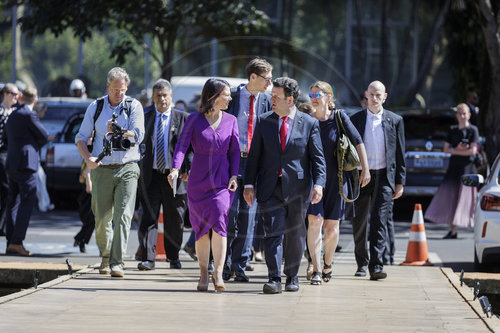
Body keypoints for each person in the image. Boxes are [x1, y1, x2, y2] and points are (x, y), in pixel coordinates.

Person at [243, 77, 327, 294]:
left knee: (296, 233)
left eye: (276, 97)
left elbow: (318, 159)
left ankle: (292, 277)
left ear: (290, 100)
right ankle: (273, 278)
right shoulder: (264, 121)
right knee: (273, 232)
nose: (271, 99)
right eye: (272, 95)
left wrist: (319, 184)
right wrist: (249, 184)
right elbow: (254, 157)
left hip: (298, 189)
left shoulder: (309, 123)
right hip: (269, 187)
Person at [168, 78, 239, 292]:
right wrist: (175, 168)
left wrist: (234, 175)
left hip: (222, 181)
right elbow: (181, 146)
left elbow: (235, 150)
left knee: (220, 223)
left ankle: (218, 272)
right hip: (198, 181)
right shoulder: (193, 120)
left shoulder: (232, 120)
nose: (229, 98)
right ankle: (202, 273)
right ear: (213, 96)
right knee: (200, 230)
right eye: (226, 94)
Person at [75, 67, 144, 277]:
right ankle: (105, 257)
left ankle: (117, 262)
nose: (119, 93)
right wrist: (89, 160)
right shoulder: (95, 107)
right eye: (115, 89)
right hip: (102, 169)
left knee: (123, 216)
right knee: (102, 218)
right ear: (108, 87)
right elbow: (80, 138)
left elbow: (139, 135)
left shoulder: (134, 106)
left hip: (128, 167)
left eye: (122, 89)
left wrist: (121, 132)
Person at [306, 81, 370, 285]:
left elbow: (358, 141)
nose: (313, 97)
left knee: (331, 227)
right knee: (314, 221)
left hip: (338, 179)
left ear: (328, 97)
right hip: (314, 179)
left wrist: (365, 169)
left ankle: (327, 264)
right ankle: (316, 269)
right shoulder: (307, 120)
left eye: (318, 94)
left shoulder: (339, 117)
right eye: (312, 94)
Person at [223, 57, 273, 282]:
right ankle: (223, 264)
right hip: (231, 162)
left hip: (254, 165)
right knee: (230, 215)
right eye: (266, 79)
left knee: (249, 218)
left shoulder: (267, 101)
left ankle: (240, 265)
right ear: (253, 77)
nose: (269, 84)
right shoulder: (232, 96)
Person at [349, 80, 405, 280]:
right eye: (371, 95)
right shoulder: (355, 119)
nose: (374, 99)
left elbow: (400, 153)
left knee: (380, 221)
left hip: (384, 177)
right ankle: (361, 263)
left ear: (385, 97)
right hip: (361, 176)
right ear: (366, 95)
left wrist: (400, 181)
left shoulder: (395, 120)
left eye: (378, 95)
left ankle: (377, 265)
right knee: (359, 222)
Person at [137, 79, 191, 271]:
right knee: (148, 218)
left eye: (165, 96)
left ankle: (173, 256)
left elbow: (191, 147)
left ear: (171, 97)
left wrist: (187, 169)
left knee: (175, 218)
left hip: (175, 177)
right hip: (150, 177)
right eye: (158, 96)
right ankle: (148, 258)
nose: (162, 100)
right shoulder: (145, 117)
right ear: (153, 97)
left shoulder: (183, 118)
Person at [4, 87, 49, 256]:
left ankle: (10, 242)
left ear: (21, 97)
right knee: (27, 201)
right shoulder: (29, 114)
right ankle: (17, 242)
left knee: (12, 202)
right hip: (26, 164)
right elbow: (44, 135)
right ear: (35, 101)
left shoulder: (13, 114)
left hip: (12, 162)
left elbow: (6, 138)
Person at [425, 103, 478, 239]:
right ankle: (453, 230)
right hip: (454, 169)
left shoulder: (473, 130)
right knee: (451, 198)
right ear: (456, 115)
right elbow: (445, 149)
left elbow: (472, 151)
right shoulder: (453, 130)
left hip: (468, 170)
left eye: (464, 113)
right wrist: (459, 150)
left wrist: (456, 151)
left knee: (468, 200)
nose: (461, 116)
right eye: (459, 113)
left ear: (469, 115)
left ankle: (473, 229)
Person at [0, 83, 19, 236]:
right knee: (6, 189)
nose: (16, 97)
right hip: (3, 153)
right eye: (13, 94)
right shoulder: (1, 111)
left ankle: (4, 225)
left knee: (9, 190)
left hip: (11, 153)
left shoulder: (14, 112)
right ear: (6, 94)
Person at [33, 102, 56, 212]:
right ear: (40, 111)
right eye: (44, 111)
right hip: (33, 157)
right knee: (39, 180)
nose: (45, 114)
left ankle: (45, 203)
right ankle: (43, 204)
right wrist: (48, 138)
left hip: (35, 157)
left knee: (42, 179)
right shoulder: (34, 121)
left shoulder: (35, 121)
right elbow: (41, 137)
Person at [74, 160, 95, 253]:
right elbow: (89, 189)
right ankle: (79, 239)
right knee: (90, 220)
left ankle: (80, 240)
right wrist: (88, 175)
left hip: (88, 196)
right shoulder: (89, 161)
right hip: (88, 197)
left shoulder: (86, 160)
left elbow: (80, 179)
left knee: (91, 221)